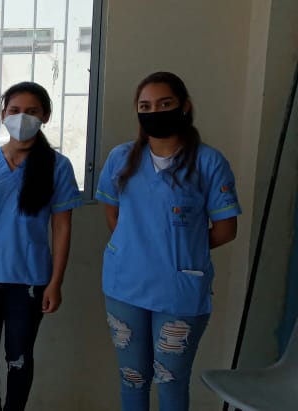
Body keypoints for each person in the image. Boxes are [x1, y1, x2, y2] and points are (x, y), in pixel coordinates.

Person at [96, 71, 240, 411]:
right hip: (125, 286)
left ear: (184, 106)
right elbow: (113, 216)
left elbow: (225, 229)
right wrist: (138, 246)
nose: (154, 112)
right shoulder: (121, 159)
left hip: (179, 291)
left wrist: (180, 248)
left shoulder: (208, 162)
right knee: (132, 378)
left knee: (171, 379)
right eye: (145, 106)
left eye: (165, 104)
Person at [0, 81, 81, 411]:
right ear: (3, 115)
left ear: (45, 116)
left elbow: (62, 227)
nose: (22, 117)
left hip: (30, 280)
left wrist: (55, 282)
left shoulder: (57, 166)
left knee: (19, 359)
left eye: (32, 111)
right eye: (15, 110)